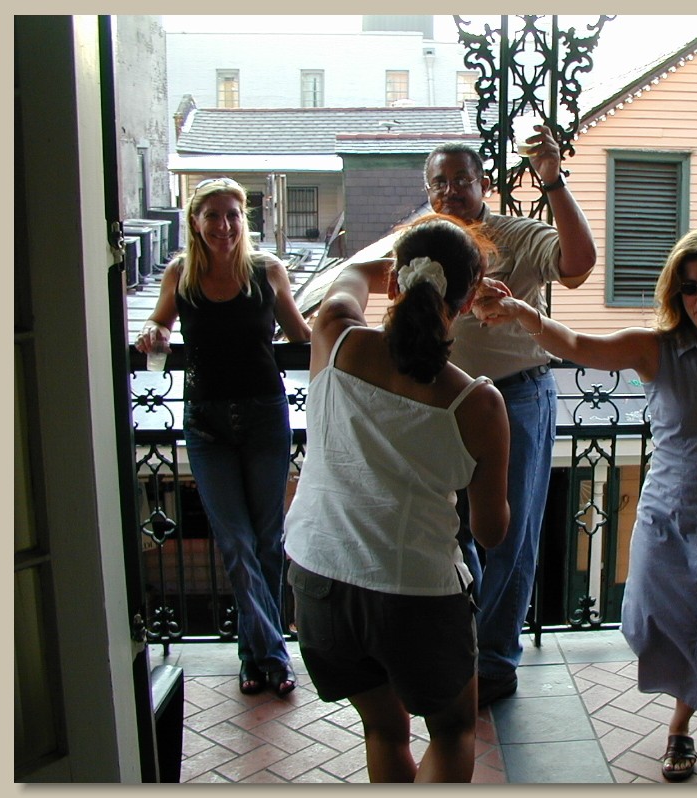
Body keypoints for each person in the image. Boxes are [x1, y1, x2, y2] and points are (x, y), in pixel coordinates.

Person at [475, 226, 697, 781]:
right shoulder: (654, 347)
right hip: (671, 514)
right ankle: (683, 704)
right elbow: (577, 347)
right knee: (662, 617)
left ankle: (680, 725)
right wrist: (523, 313)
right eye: (690, 288)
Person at [282, 214, 511, 783]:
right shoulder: (477, 404)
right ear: (466, 302)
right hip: (417, 596)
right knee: (453, 731)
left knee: (383, 729)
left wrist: (408, 257)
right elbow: (490, 532)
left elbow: (350, 272)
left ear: (394, 281)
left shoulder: (335, 337)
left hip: (320, 579)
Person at [424, 122, 597, 707]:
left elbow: (578, 262)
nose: (450, 191)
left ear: (483, 185)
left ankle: (494, 662)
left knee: (510, 535)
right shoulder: (422, 241)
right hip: (444, 403)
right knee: (449, 529)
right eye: (440, 182)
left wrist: (552, 180)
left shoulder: (517, 235)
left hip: (517, 398)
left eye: (462, 180)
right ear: (428, 190)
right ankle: (465, 644)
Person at [135, 176, 312, 697]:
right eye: (212, 215)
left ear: (243, 220)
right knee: (235, 542)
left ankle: (252, 658)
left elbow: (300, 335)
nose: (224, 225)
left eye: (233, 214)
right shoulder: (181, 273)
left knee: (266, 541)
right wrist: (155, 331)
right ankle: (275, 656)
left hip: (265, 417)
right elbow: (160, 322)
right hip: (205, 422)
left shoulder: (267, 270)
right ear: (195, 221)